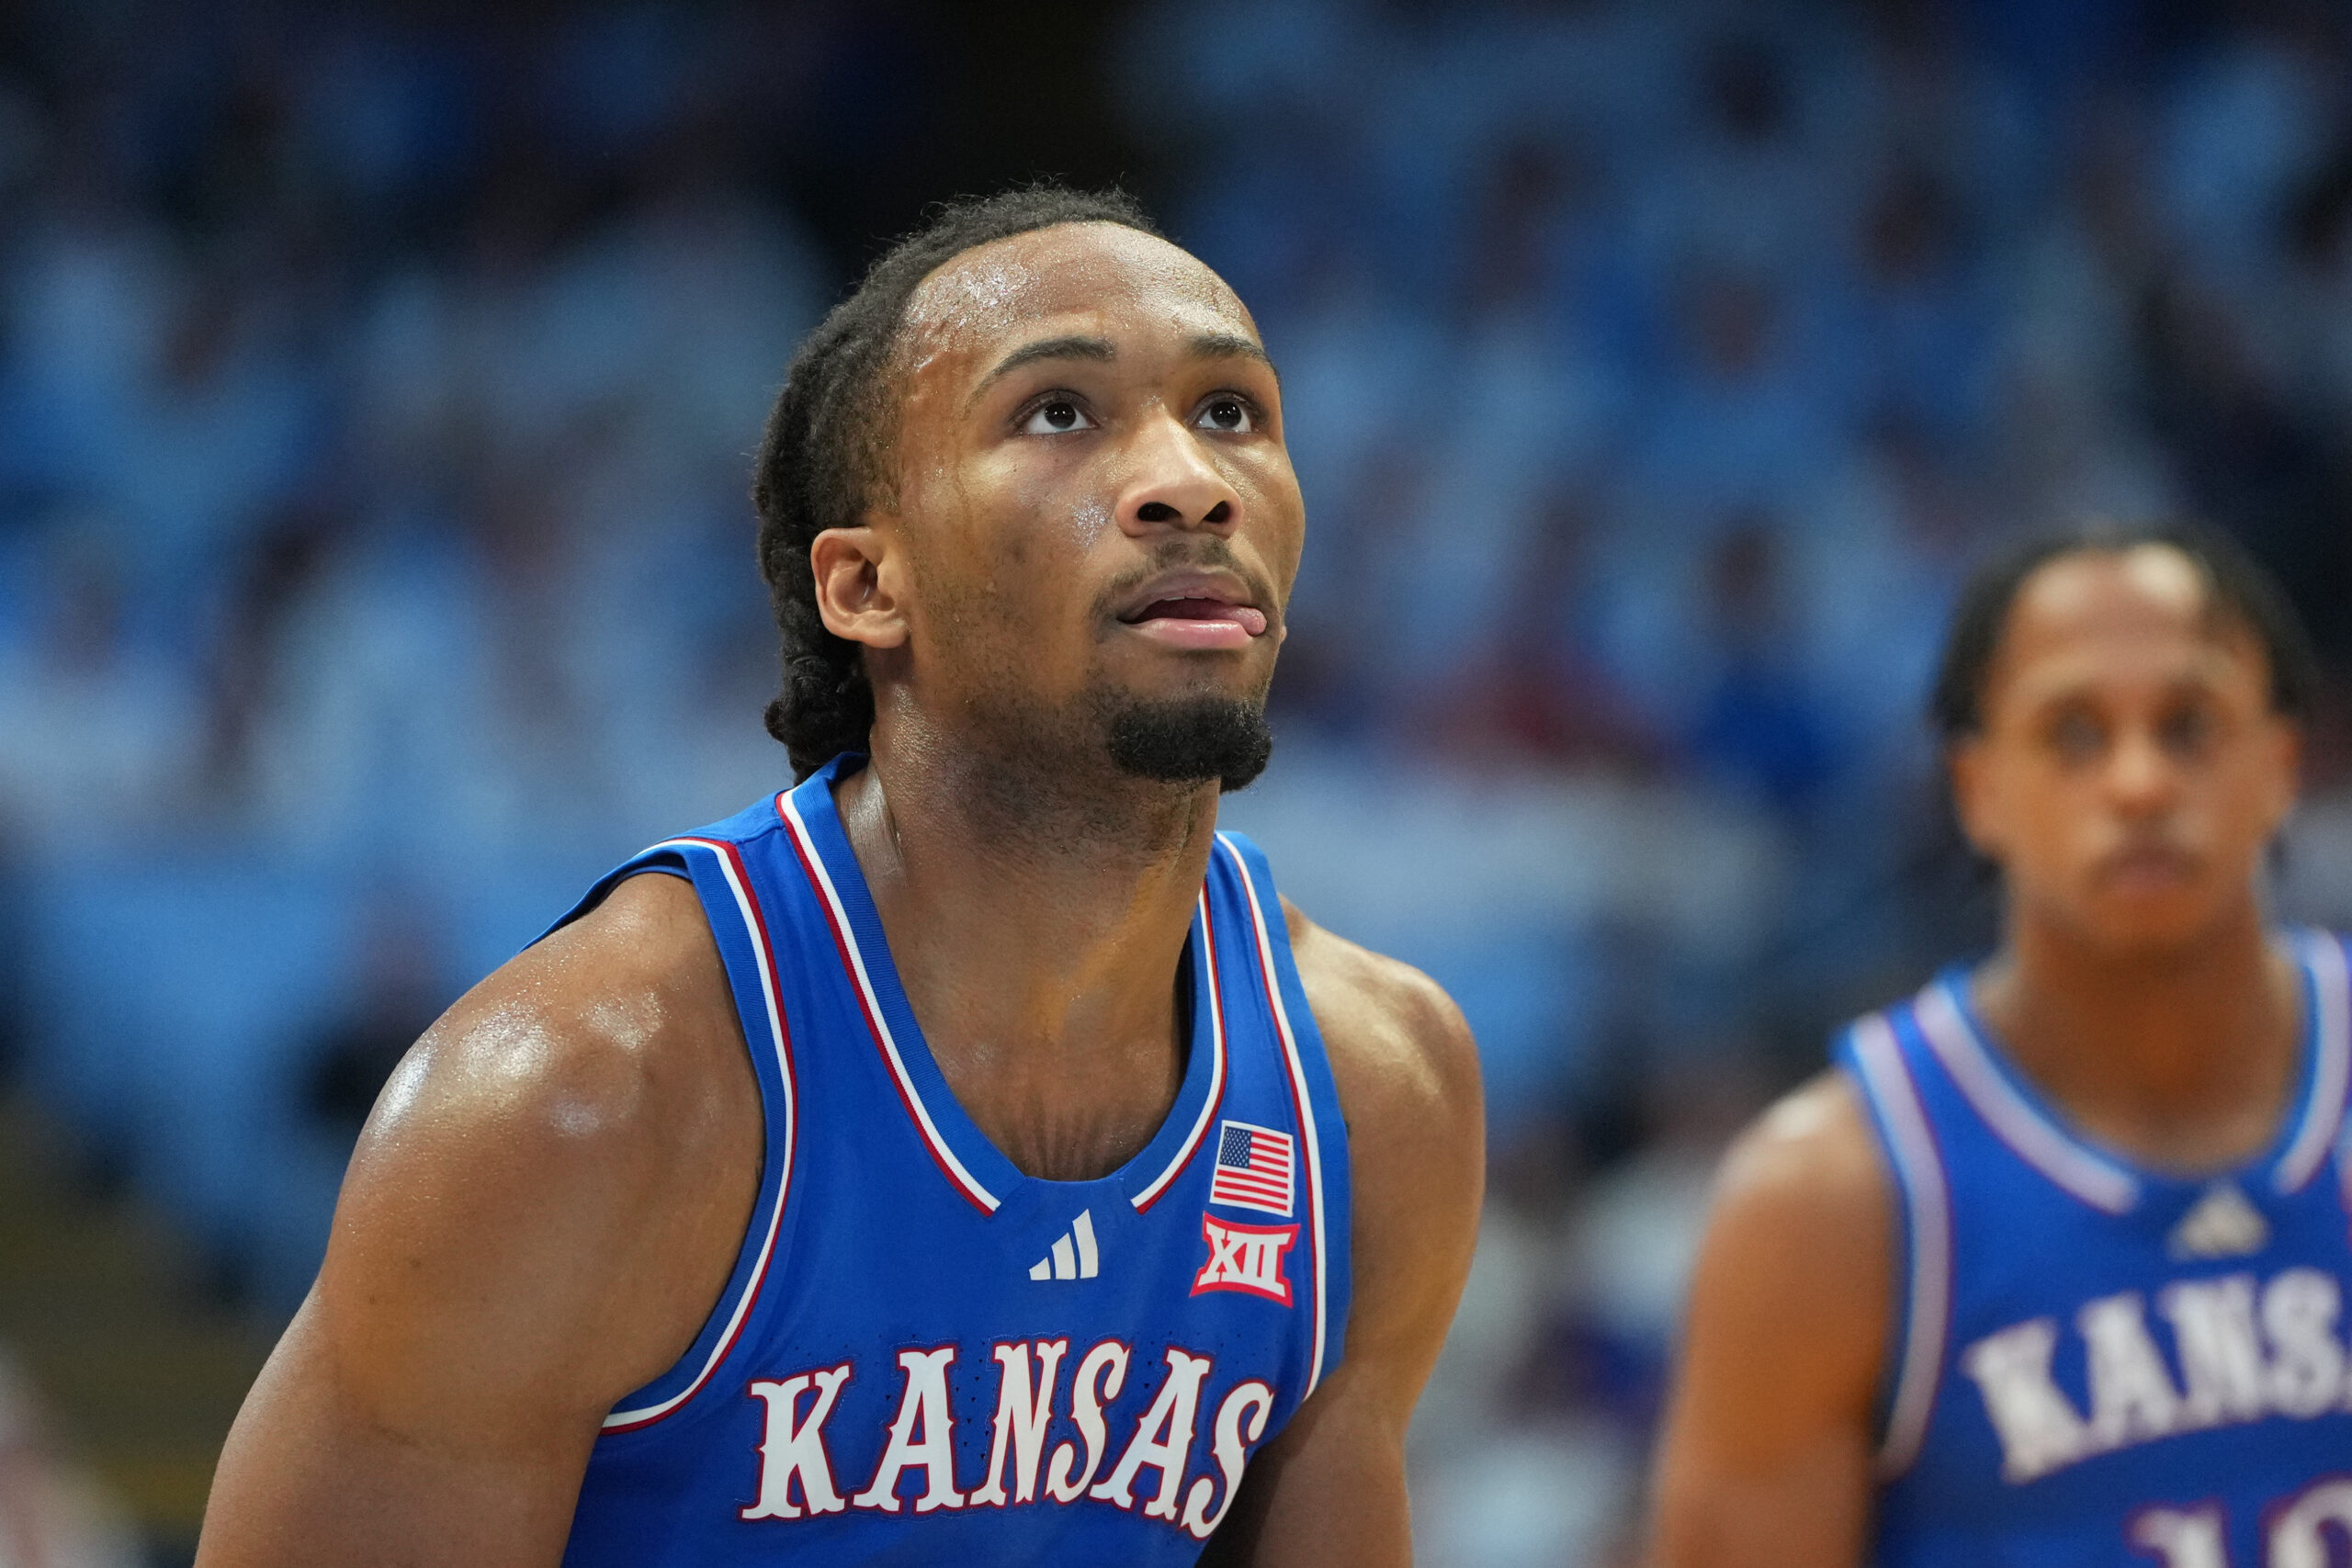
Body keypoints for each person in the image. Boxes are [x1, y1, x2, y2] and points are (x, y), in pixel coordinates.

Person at [192, 186, 1483, 1566]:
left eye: (1230, 409)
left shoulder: (1374, 1089)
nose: (1190, 477)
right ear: (867, 583)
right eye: (1057, 412)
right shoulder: (586, 1099)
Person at [1648, 524, 2352, 1566]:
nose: (2138, 782)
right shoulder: (1827, 1205)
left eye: (2189, 724)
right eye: (2073, 733)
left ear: (2281, 762)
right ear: (1975, 788)